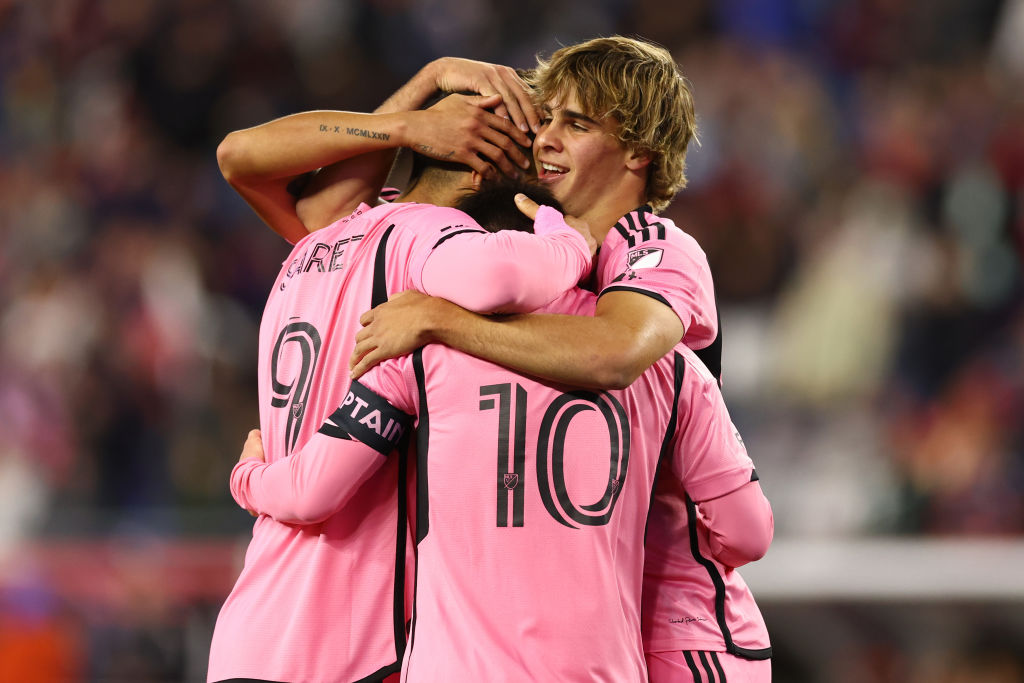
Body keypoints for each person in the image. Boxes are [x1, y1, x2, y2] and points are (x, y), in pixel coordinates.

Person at [343, 37, 774, 680]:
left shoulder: (657, 249)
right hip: (587, 625)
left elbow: (613, 355)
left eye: (576, 124)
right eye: (545, 119)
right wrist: (412, 105)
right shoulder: (544, 256)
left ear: (639, 151)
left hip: (677, 631)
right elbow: (300, 195)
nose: (545, 138)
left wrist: (442, 322)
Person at [231, 180, 772, 681]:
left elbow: (313, 490)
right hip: (603, 667)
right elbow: (749, 531)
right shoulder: (671, 365)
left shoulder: (419, 349)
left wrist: (248, 476)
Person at [206, 61, 594, 683]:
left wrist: (418, 102)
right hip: (346, 642)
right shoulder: (431, 242)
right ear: (488, 165)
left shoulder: (317, 240)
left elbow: (240, 155)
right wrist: (573, 239)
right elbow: (495, 275)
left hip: (252, 626)